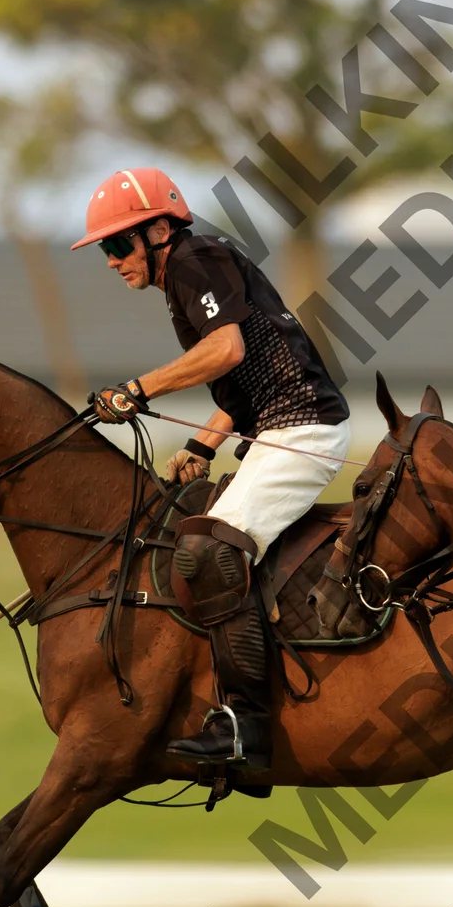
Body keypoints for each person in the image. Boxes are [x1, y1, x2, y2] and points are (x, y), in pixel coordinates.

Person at [70, 167, 353, 773]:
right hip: (278, 427)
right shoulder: (187, 274)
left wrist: (137, 390)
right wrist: (202, 445)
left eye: (118, 244)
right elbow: (243, 378)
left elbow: (226, 349)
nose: (113, 261)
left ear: (159, 230)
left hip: (303, 428)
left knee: (207, 553)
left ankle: (246, 727)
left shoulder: (194, 260)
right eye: (104, 250)